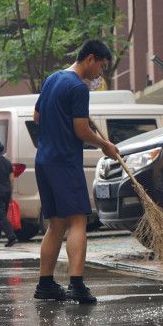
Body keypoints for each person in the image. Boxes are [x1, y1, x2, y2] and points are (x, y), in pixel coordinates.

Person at [33, 40, 120, 304]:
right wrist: (105, 145)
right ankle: (77, 285)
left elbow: (37, 117)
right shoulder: (78, 89)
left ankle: (45, 284)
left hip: (44, 160)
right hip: (64, 161)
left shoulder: (52, 80)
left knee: (56, 224)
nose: (99, 74)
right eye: (101, 67)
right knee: (78, 220)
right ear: (90, 59)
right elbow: (81, 130)